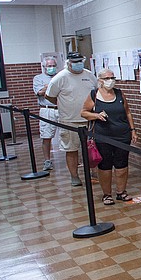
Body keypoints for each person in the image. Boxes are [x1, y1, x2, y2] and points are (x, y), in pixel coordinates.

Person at [80, 68, 137, 205]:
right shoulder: (94, 94)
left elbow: (127, 112)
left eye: (112, 78)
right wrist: (96, 115)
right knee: (105, 165)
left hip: (122, 135)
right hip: (102, 136)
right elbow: (84, 112)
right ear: (100, 80)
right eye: (107, 78)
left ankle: (121, 191)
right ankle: (106, 194)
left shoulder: (119, 94)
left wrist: (133, 130)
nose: (110, 81)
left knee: (122, 164)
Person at [46, 52, 98, 186]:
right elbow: (50, 96)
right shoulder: (60, 78)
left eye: (80, 61)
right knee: (71, 149)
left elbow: (96, 93)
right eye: (75, 62)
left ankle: (94, 173)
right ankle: (74, 176)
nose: (78, 64)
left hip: (89, 120)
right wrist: (65, 105)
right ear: (68, 63)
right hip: (69, 120)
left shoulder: (89, 75)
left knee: (92, 148)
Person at [33, 56, 59, 172]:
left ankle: (76, 159)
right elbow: (40, 92)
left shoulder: (60, 76)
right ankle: (47, 160)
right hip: (47, 109)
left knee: (69, 134)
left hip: (61, 108)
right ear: (44, 67)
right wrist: (48, 87)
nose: (51, 68)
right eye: (49, 66)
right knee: (46, 136)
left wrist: (49, 88)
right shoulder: (38, 78)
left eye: (53, 66)